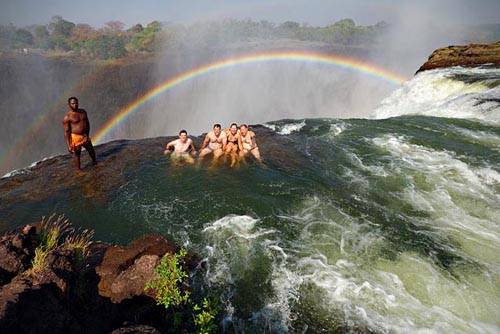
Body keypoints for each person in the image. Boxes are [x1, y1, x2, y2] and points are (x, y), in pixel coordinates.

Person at [62, 97, 97, 170]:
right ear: (69, 105)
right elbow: (66, 132)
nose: (75, 105)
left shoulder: (83, 112)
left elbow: (87, 123)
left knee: (91, 150)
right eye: (73, 103)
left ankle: (95, 162)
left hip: (84, 135)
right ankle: (79, 170)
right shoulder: (67, 117)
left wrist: (87, 135)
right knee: (77, 154)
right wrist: (69, 145)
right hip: (75, 137)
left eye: (76, 103)